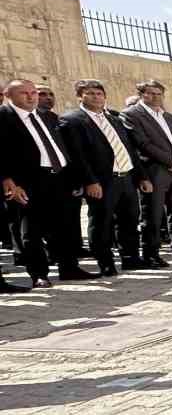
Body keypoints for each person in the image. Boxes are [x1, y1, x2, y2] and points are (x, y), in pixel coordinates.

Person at [0, 79, 101, 288]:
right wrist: (8, 180)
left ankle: (69, 267)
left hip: (60, 178)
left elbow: (67, 149)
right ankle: (39, 274)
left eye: (33, 92)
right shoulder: (3, 117)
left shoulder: (48, 117)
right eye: (24, 93)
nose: (31, 97)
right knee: (32, 230)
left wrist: (77, 178)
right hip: (27, 182)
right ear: (8, 96)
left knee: (65, 227)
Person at [56, 79, 148, 277]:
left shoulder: (114, 119)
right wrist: (90, 181)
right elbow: (77, 155)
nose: (96, 97)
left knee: (129, 221)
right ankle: (105, 262)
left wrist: (141, 177)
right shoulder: (72, 120)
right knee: (102, 223)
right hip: (102, 182)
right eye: (90, 93)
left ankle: (131, 258)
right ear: (80, 96)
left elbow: (128, 149)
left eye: (99, 93)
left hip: (126, 178)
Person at [122, 79, 172, 265]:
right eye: (150, 93)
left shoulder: (169, 117)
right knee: (153, 214)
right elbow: (143, 144)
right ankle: (151, 252)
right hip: (153, 170)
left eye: (158, 93)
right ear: (142, 94)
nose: (155, 97)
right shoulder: (132, 115)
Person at [36, 85, 87, 261]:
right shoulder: (29, 120)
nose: (48, 97)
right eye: (42, 94)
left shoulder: (56, 119)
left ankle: (71, 250)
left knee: (68, 217)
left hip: (63, 176)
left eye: (51, 94)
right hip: (40, 178)